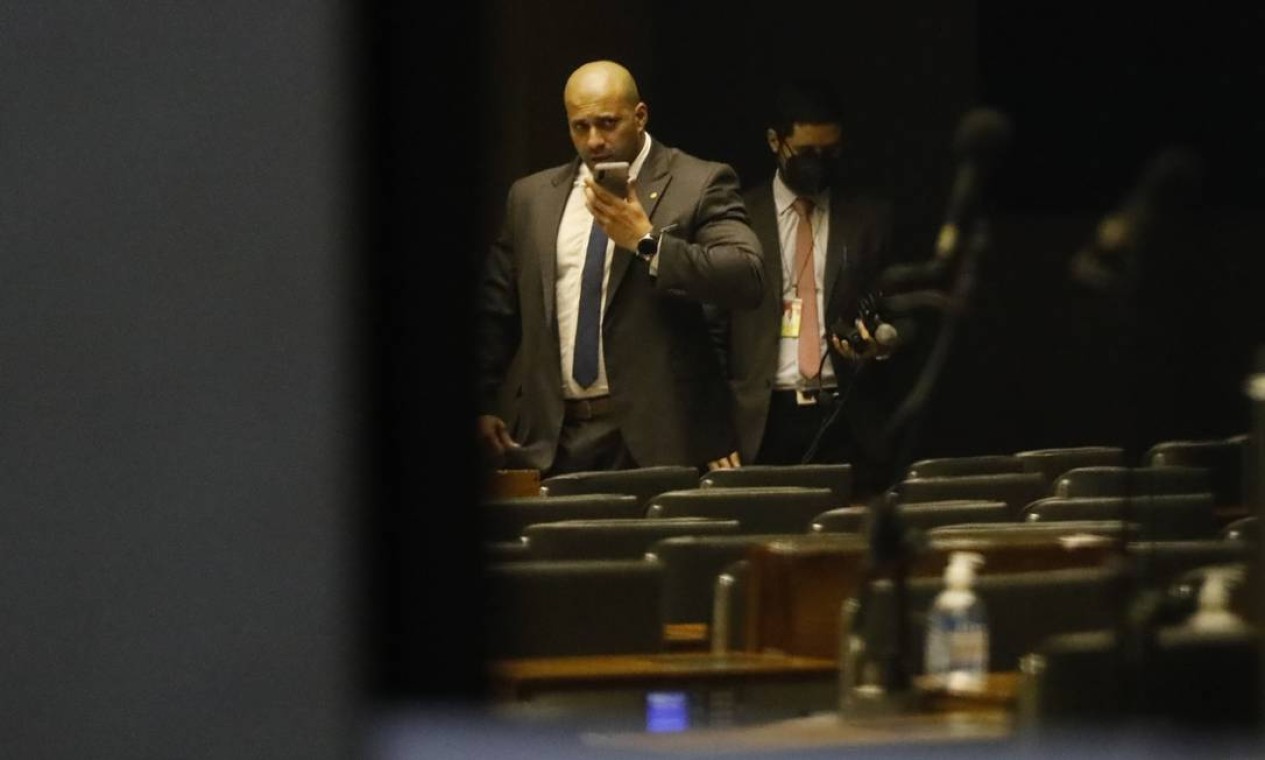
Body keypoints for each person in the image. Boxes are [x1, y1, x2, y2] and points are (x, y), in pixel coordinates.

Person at [475, 60, 763, 477]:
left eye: (608, 124)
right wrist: (482, 403)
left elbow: (747, 276)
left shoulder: (697, 182)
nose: (594, 141)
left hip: (659, 440)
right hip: (552, 441)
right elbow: (495, 310)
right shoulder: (531, 198)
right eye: (580, 126)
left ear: (640, 116)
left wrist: (647, 243)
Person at [710, 78, 904, 498]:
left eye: (831, 152)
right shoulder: (736, 216)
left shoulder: (870, 220)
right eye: (808, 153)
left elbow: (901, 312)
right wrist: (715, 432)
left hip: (847, 415)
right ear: (775, 142)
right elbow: (712, 335)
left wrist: (880, 342)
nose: (820, 163)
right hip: (762, 421)